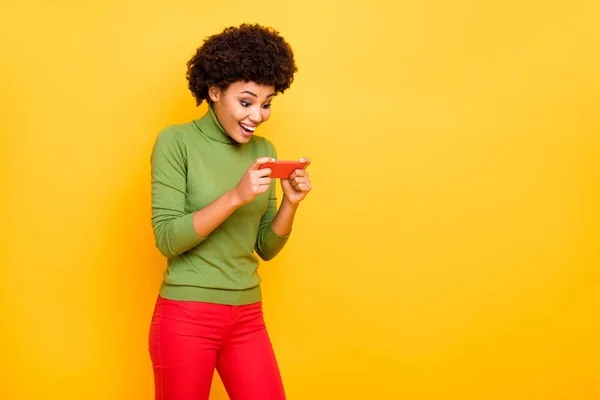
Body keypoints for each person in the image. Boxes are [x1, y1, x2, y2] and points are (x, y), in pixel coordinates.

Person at [147, 23, 311, 400]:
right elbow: (168, 239)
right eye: (247, 101)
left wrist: (290, 202)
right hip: (186, 316)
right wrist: (235, 197)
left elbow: (265, 247)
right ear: (215, 91)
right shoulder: (177, 142)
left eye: (267, 103)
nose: (258, 115)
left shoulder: (263, 149)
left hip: (247, 316)